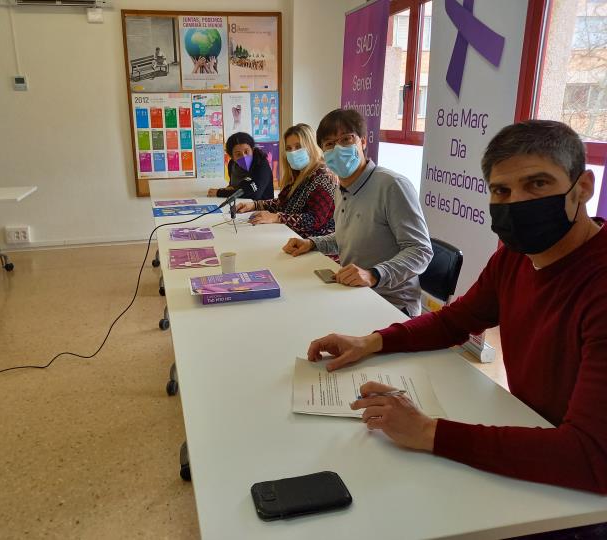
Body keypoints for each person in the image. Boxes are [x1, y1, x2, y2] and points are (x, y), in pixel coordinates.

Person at [307, 121, 607, 513]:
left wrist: (430, 433)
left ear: (582, 188)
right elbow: (454, 321)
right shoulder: (514, 258)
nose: (516, 202)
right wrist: (371, 341)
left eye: (537, 184)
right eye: (502, 190)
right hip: (530, 436)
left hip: (575, 500)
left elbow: (592, 458)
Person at [282, 109, 432, 316]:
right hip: (352, 293)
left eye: (346, 139)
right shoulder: (340, 187)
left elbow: (421, 250)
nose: (338, 148)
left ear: (362, 142)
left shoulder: (392, 186)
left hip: (391, 305)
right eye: (329, 144)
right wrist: (313, 243)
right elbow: (348, 237)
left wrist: (374, 274)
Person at [234, 123, 337, 238]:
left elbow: (314, 220)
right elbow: (283, 203)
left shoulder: (323, 176)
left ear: (312, 147)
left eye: (298, 147)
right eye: (289, 148)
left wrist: (276, 217)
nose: (293, 152)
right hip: (291, 236)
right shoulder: (299, 174)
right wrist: (254, 205)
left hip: (315, 246)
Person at [208, 132, 274, 201]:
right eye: (238, 154)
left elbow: (254, 194)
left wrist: (220, 193)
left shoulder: (262, 164)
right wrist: (230, 188)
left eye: (246, 152)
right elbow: (233, 186)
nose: (244, 156)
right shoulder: (232, 165)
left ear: (252, 150)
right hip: (239, 202)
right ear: (232, 157)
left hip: (261, 207)